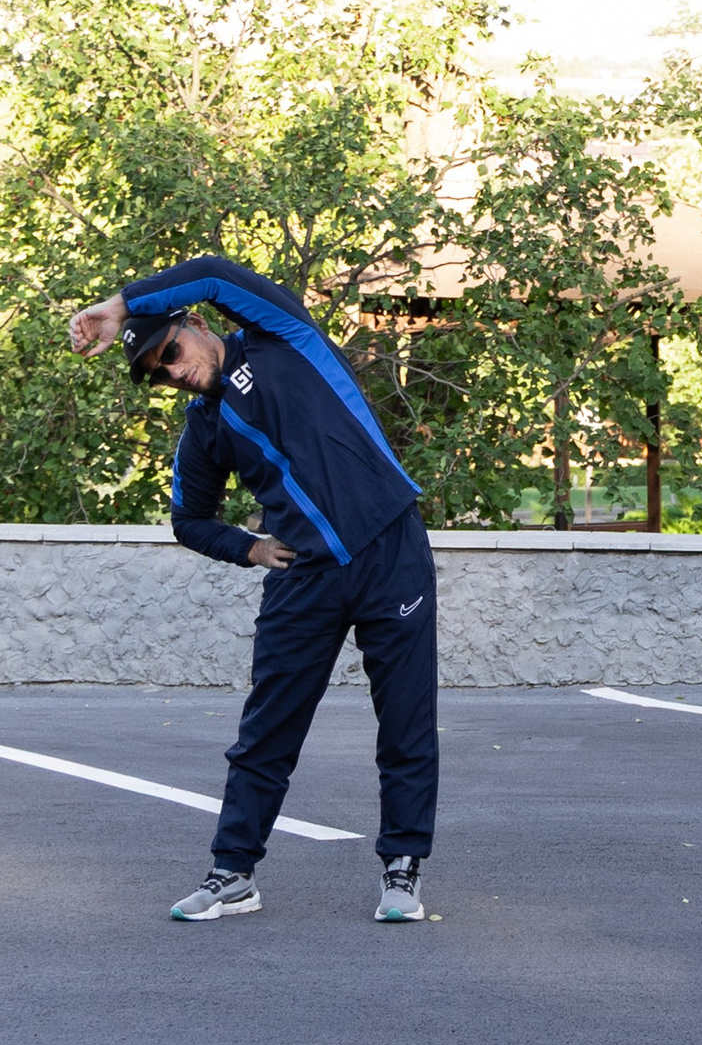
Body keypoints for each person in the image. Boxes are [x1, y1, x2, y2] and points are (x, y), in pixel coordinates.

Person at [68, 258, 439, 925]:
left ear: (196, 323)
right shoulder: (204, 427)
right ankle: (233, 873)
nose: (173, 371)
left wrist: (117, 308)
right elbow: (189, 518)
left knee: (405, 722)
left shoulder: (285, 338)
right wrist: (251, 548)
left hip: (391, 551)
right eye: (158, 372)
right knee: (265, 734)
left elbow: (214, 272)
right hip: (303, 579)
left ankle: (402, 868)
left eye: (171, 352)